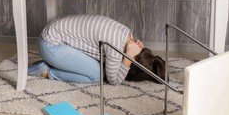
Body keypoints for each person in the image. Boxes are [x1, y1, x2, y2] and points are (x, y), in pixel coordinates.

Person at [28, 14, 165, 85]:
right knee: (97, 75)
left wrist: (130, 52)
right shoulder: (116, 46)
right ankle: (49, 72)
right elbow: (114, 81)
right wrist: (128, 56)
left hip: (54, 37)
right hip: (50, 45)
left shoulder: (125, 34)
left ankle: (54, 63)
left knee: (98, 67)